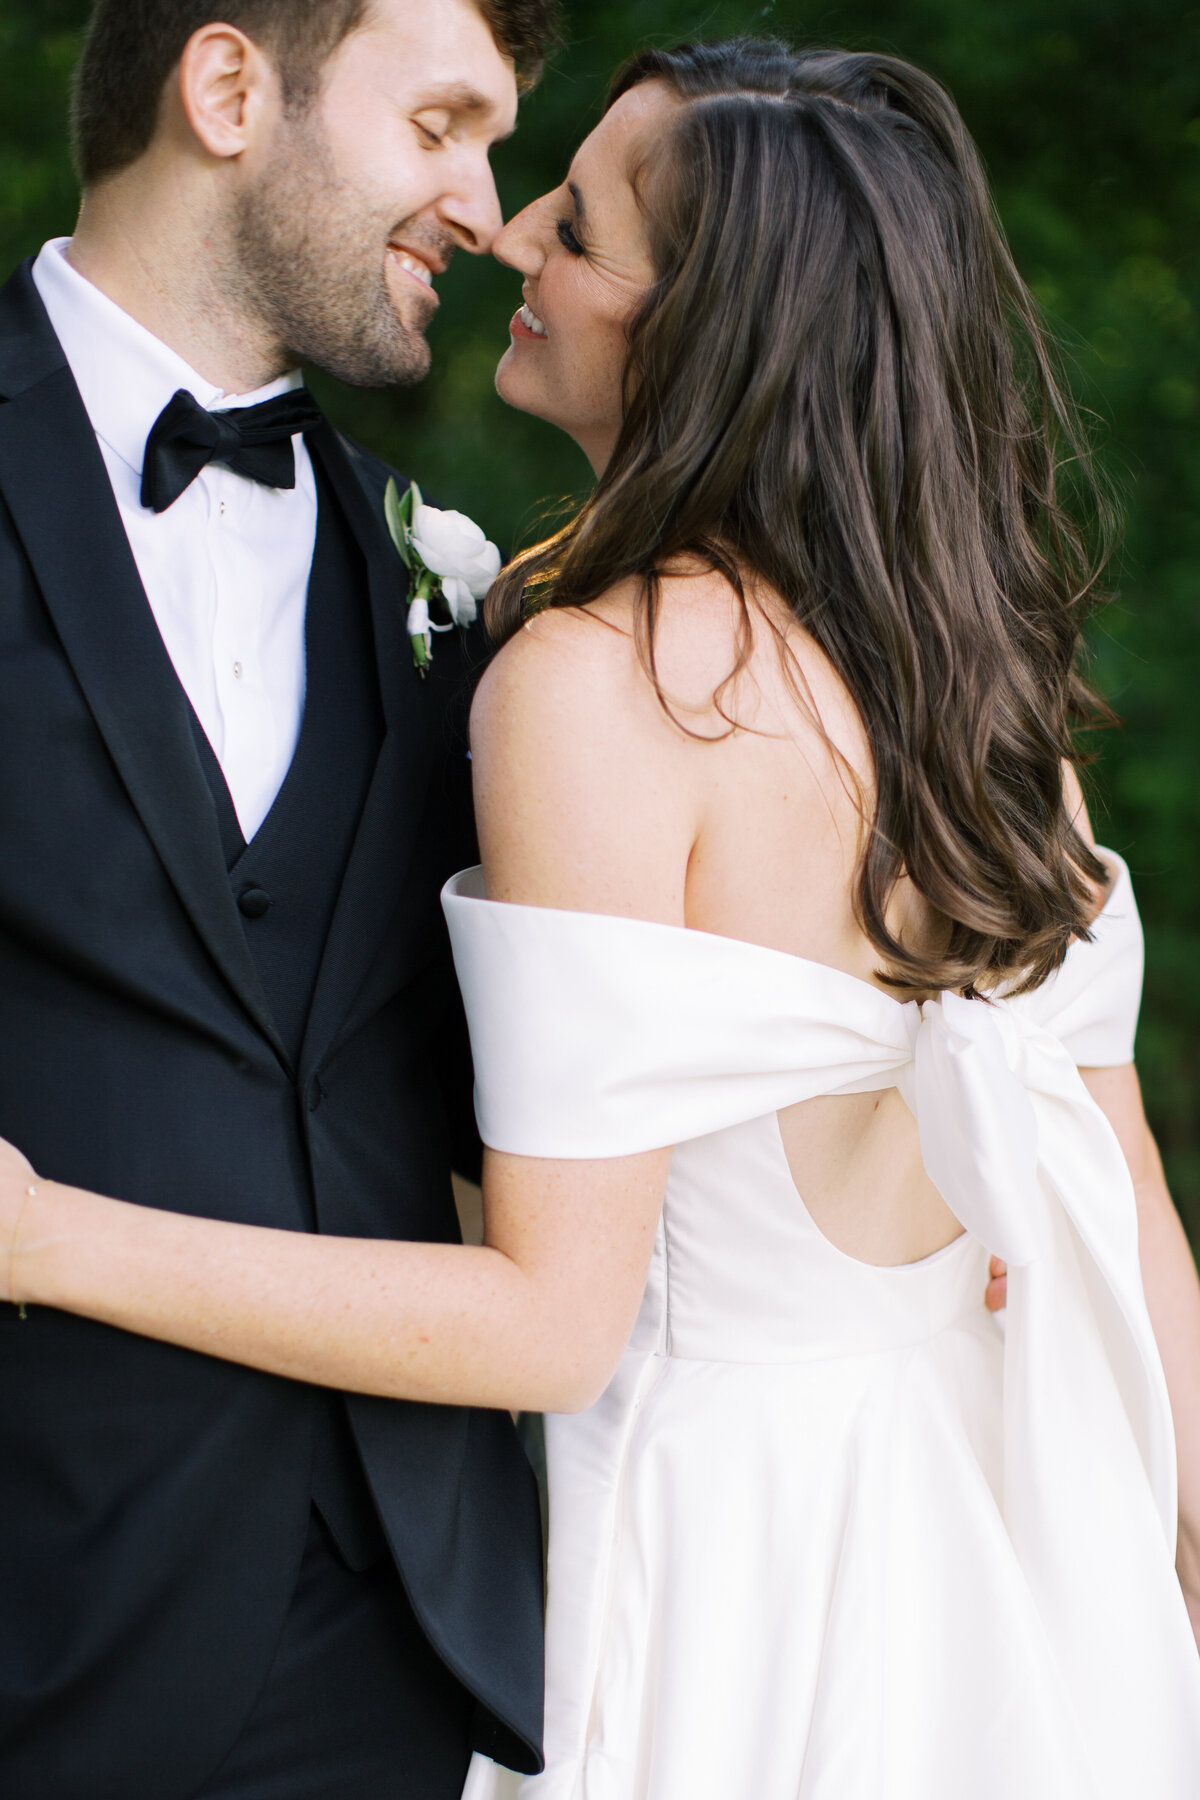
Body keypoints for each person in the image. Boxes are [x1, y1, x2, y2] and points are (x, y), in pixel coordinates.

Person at [4, 31, 1200, 1800]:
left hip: (705, 1573)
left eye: (572, 219)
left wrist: (38, 1234)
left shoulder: (591, 684)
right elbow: (1136, 1222)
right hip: (997, 1582)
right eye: (472, 146)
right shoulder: (984, 705)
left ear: (708, 323)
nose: (510, 232)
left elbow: (553, 1317)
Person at [0, 1, 559, 1796]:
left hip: (385, 1632)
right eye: (445, 124)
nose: (488, 204)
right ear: (231, 88)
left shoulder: (450, 576)